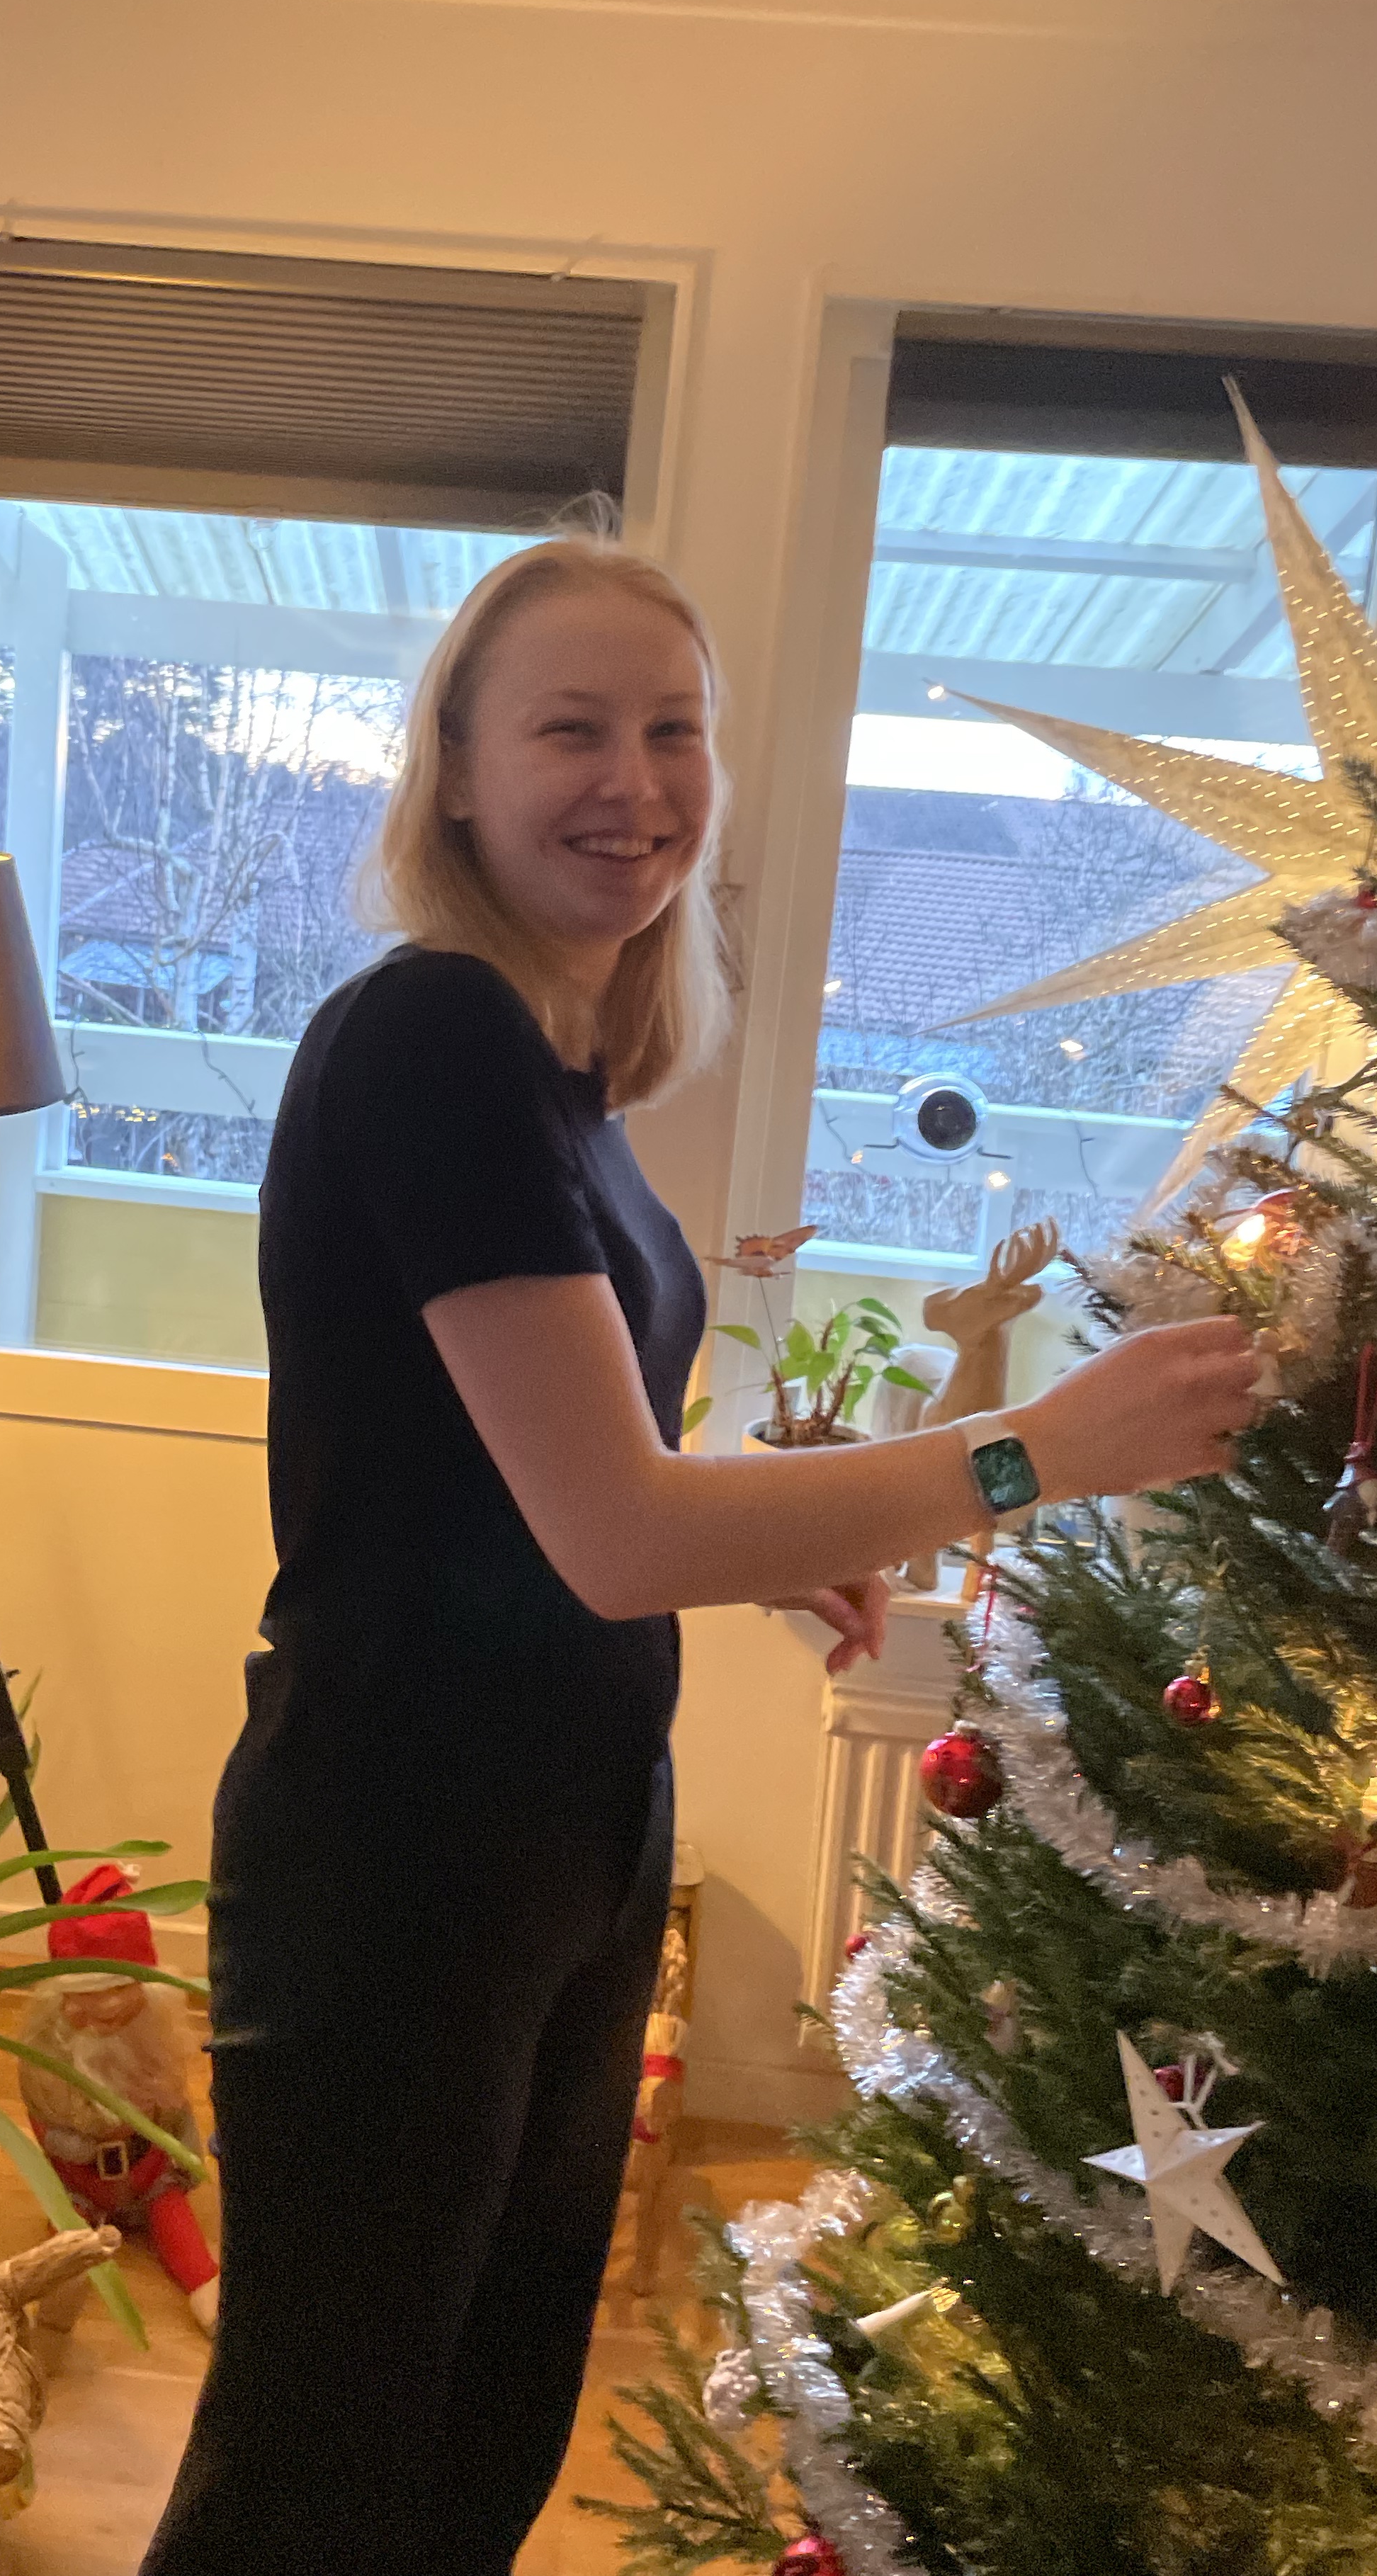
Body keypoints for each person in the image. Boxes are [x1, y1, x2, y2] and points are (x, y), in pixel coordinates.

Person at [139, 534, 1259, 2576]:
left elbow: (563, 1482)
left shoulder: (559, 1069)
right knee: (315, 2474)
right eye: (570, 728)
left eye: (675, 732)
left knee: (480, 2434)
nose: (634, 782)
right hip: (397, 1852)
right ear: (455, 770)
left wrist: (752, 1543)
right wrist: (1041, 1454)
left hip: (568, 1831)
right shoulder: (432, 1038)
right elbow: (613, 1529)